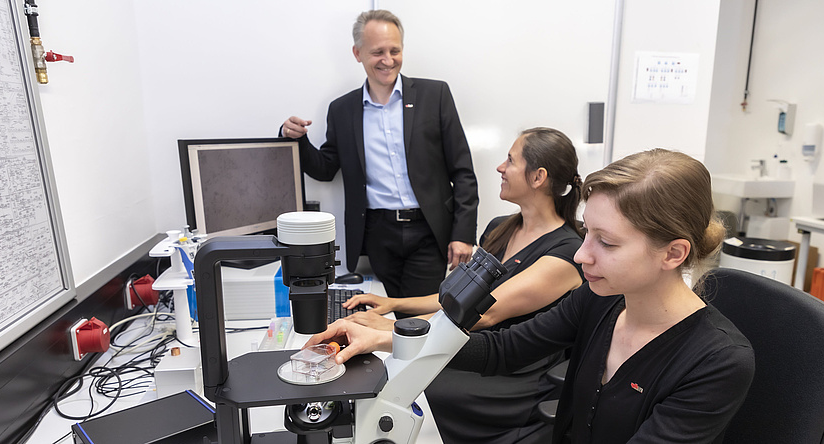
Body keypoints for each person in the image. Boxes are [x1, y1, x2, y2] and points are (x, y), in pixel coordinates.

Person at [306, 149, 757, 443]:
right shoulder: (601, 300)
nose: (582, 254)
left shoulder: (716, 360)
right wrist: (388, 338)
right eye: (587, 233)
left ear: (673, 253)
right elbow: (505, 349)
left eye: (607, 242)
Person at [343, 127, 585, 443]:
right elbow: (455, 299)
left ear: (538, 177)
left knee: (413, 386)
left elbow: (482, 314)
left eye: (510, 161)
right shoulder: (501, 228)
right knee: (395, 374)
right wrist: (394, 306)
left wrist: (389, 332)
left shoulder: (565, 254)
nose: (500, 168)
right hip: (467, 347)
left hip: (511, 372)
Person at [280, 10, 478, 305]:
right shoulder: (342, 109)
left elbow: (462, 171)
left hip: (428, 230)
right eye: (377, 52)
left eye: (394, 50)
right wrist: (296, 139)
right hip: (377, 233)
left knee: (416, 320)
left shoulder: (434, 95)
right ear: (357, 53)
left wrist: (463, 234)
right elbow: (324, 168)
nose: (388, 60)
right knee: (383, 313)